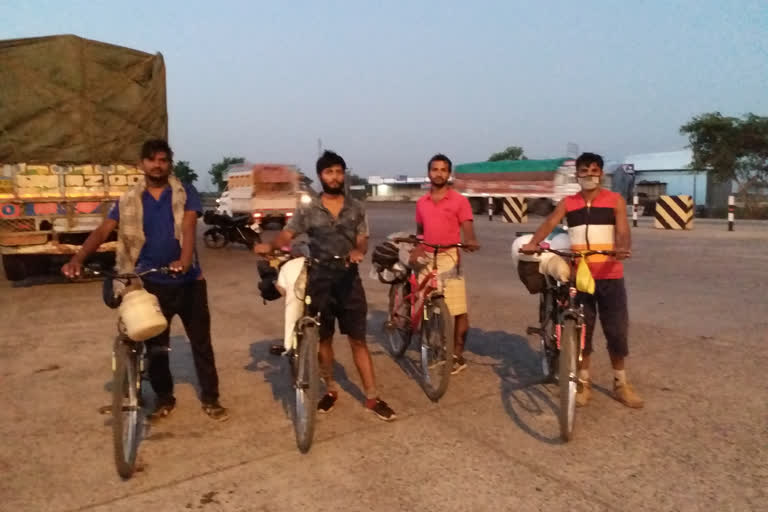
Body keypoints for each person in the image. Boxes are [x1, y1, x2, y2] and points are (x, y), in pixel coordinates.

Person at [61, 139, 228, 421]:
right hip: (150, 283)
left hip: (189, 283)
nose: (157, 165)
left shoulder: (184, 192)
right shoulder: (129, 200)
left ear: (169, 164)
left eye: (162, 160)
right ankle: (164, 398)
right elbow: (104, 230)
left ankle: (211, 398)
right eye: (151, 160)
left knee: (201, 343)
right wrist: (78, 258)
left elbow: (188, 226)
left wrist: (185, 260)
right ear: (142, 164)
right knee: (156, 346)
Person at [254, 150, 396, 421]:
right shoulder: (308, 208)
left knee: (358, 340)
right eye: (329, 172)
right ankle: (330, 389)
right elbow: (288, 233)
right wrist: (270, 246)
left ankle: (372, 396)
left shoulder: (356, 207)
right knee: (324, 339)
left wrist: (358, 251)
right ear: (321, 176)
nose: (335, 177)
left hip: (348, 280)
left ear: (344, 174)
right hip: (318, 279)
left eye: (339, 172)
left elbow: (363, 238)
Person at [521, 152, 643, 408]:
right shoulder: (569, 203)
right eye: (584, 171)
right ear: (577, 175)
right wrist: (533, 243)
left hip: (610, 276)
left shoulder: (615, 201)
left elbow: (623, 230)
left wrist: (622, 247)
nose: (590, 175)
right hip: (581, 276)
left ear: (601, 174)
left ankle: (621, 382)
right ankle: (584, 382)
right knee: (582, 332)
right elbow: (549, 222)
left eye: (594, 170)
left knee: (617, 331)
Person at [411, 154, 480, 374]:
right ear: (429, 172)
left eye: (443, 169)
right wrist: (420, 246)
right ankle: (432, 344)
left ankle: (457, 354)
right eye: (435, 169)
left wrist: (469, 240)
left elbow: (467, 227)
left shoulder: (460, 201)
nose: (439, 173)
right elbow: (420, 231)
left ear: (449, 174)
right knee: (425, 303)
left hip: (450, 256)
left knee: (458, 310)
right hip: (428, 257)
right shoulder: (422, 202)